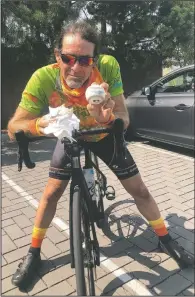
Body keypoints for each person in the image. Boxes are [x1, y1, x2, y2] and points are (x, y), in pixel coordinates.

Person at [8, 20, 194, 288]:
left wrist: (108, 119)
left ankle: (165, 239)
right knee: (51, 192)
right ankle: (33, 253)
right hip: (69, 136)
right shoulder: (44, 77)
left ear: (95, 60)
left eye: (85, 60)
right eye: (69, 58)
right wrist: (39, 125)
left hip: (104, 136)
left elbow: (123, 117)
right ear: (57, 55)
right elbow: (14, 127)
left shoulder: (107, 67)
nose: (76, 67)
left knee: (139, 190)